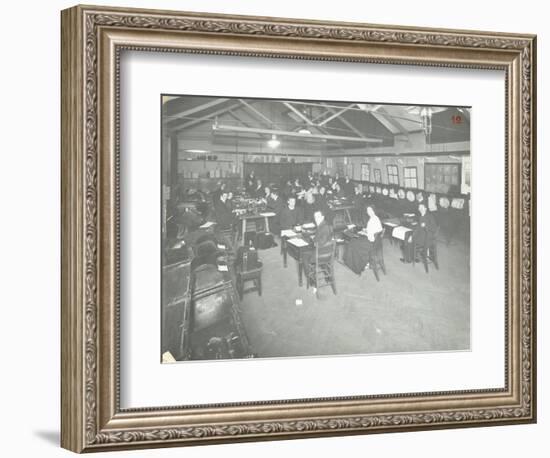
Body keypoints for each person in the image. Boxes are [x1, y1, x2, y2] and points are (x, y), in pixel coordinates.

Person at [343, 205, 383, 275]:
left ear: (374, 211)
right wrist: (365, 231)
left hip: (371, 243)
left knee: (353, 242)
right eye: (368, 210)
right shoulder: (376, 218)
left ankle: (358, 266)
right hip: (377, 242)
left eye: (370, 210)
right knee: (355, 240)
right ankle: (359, 263)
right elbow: (374, 230)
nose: (369, 212)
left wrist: (364, 233)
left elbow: (371, 236)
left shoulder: (372, 220)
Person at [301, 210, 334, 275]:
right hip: (328, 252)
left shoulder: (324, 227)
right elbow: (324, 238)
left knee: (303, 255)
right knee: (308, 248)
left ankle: (310, 278)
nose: (316, 219)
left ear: (323, 217)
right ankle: (327, 274)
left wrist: (312, 241)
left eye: (318, 217)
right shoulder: (325, 224)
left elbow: (319, 244)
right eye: (315, 217)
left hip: (321, 255)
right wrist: (314, 238)